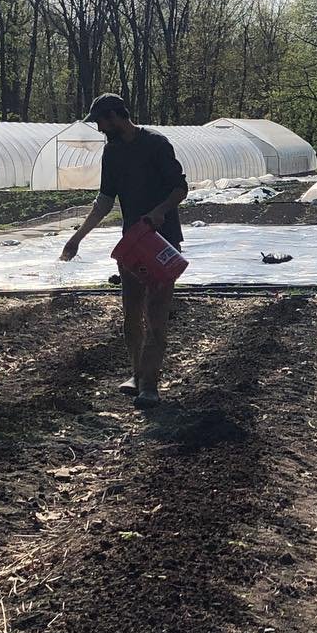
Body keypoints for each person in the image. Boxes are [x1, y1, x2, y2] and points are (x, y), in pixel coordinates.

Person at [60, 95, 188, 407]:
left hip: (162, 241)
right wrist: (78, 237)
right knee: (131, 312)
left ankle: (150, 384)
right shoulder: (112, 152)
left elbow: (180, 188)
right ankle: (136, 372)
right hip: (133, 243)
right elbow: (105, 200)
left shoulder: (156, 145)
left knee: (156, 313)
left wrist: (159, 212)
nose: (100, 128)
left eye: (102, 122)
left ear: (117, 116)